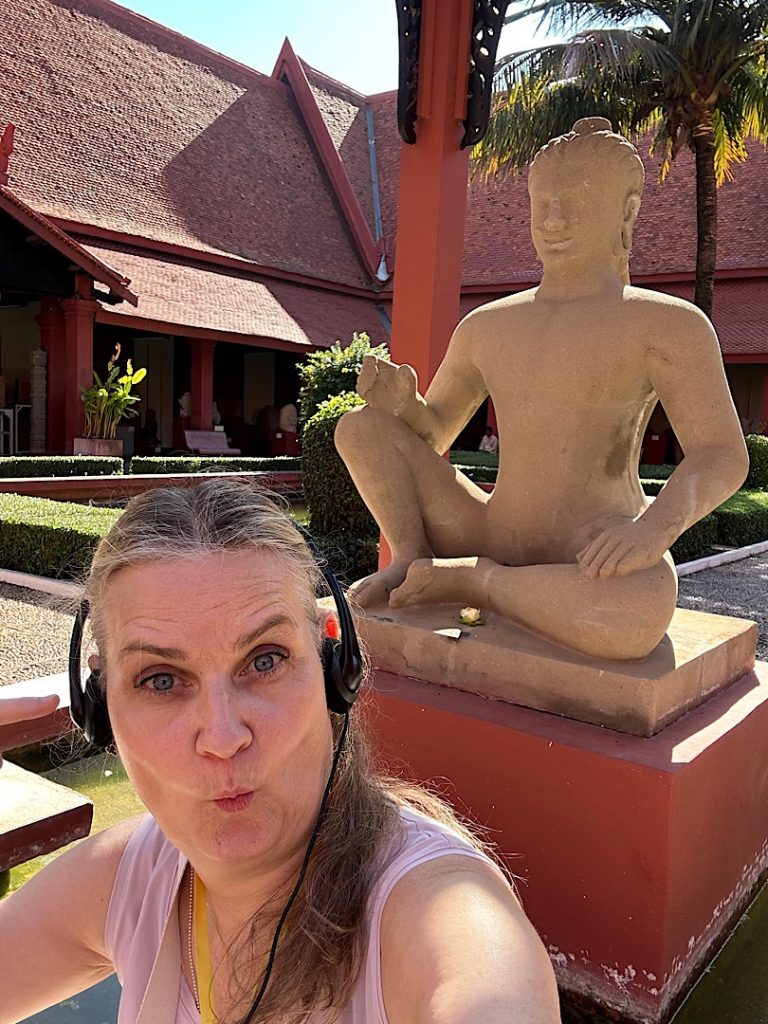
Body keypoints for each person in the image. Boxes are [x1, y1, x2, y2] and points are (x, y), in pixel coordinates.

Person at [0, 480, 560, 1024]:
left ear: (334, 668)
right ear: (99, 705)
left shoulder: (436, 909)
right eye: (161, 680)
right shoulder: (130, 881)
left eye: (265, 660)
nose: (222, 738)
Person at [335, 118, 748, 662]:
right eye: (543, 203)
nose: (552, 221)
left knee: (634, 617)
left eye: (574, 204)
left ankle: (473, 583)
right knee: (360, 428)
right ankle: (412, 559)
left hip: (590, 548)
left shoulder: (667, 324)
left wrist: (651, 531)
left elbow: (722, 455)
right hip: (487, 525)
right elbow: (433, 433)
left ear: (625, 212)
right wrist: (404, 405)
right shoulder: (487, 325)